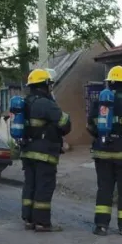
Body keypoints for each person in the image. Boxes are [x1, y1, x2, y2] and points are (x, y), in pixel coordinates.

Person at [87, 65, 122, 236]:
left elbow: (89, 126)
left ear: (109, 84)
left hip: (102, 152)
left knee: (104, 189)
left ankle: (101, 226)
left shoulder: (98, 103)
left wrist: (102, 135)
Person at [20, 68, 72, 232]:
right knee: (44, 186)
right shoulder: (46, 104)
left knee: (30, 185)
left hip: (27, 151)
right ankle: (42, 222)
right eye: (49, 84)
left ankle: (29, 220)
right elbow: (65, 125)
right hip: (44, 153)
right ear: (45, 85)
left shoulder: (24, 103)